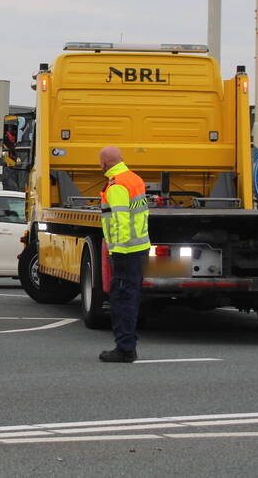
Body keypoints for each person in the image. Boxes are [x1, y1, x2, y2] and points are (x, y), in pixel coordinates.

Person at [97, 145, 150, 363]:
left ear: (104, 163)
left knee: (121, 301)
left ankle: (125, 348)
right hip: (139, 249)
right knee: (131, 298)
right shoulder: (134, 179)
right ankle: (128, 346)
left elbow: (120, 220)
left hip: (126, 252)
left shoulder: (117, 185)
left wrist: (116, 252)